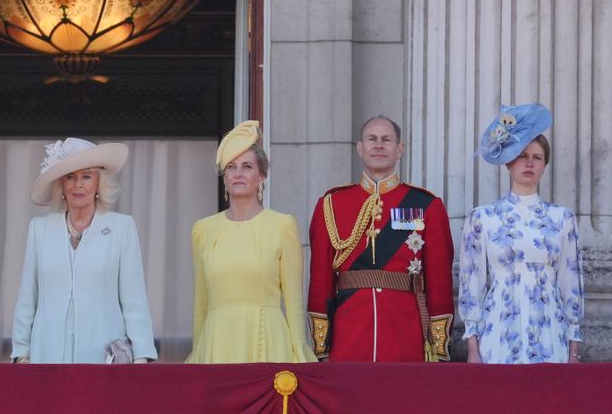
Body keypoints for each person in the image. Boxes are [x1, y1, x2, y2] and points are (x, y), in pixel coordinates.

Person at [307, 116, 454, 361]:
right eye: (371, 139)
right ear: (360, 148)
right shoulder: (332, 204)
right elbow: (320, 278)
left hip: (405, 329)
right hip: (349, 330)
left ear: (400, 149)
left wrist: (438, 346)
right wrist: (322, 346)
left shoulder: (426, 205)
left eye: (386, 140)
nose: (379, 145)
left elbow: (439, 280)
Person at [10, 138, 155, 363]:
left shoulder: (121, 227)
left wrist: (142, 356)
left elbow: (134, 299)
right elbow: (28, 297)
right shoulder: (40, 228)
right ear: (61, 185)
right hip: (47, 355)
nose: (78, 185)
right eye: (70, 177)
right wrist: (21, 353)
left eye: (86, 176)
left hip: (103, 356)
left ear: (99, 183)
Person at [459, 103, 583, 363]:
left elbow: (571, 285)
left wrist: (573, 350)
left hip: (550, 331)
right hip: (498, 331)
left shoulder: (562, 219)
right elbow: (472, 283)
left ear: (544, 165)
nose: (529, 163)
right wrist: (473, 347)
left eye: (537, 157)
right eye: (522, 155)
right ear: (508, 163)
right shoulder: (483, 217)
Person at [186, 122, 316, 364]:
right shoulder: (204, 230)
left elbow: (294, 300)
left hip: (266, 338)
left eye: (247, 167)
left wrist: (298, 349)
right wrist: (198, 350)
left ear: (261, 176)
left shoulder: (282, 226)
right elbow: (201, 300)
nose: (238, 174)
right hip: (217, 341)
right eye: (231, 167)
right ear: (224, 177)